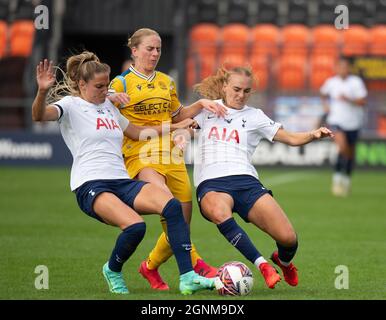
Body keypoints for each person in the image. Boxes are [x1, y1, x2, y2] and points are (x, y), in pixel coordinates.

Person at [31, 51, 215, 295]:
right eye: (99, 86)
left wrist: (177, 126)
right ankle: (113, 269)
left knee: (171, 206)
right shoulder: (70, 105)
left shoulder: (109, 106)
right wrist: (43, 90)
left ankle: (188, 277)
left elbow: (138, 132)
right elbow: (39, 115)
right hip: (91, 184)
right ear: (82, 85)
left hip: (121, 180)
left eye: (107, 85)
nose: (105, 91)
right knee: (135, 227)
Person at [190, 66, 333, 289]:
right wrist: (195, 109)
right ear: (225, 86)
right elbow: (178, 120)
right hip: (212, 183)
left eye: (247, 91)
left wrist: (313, 135)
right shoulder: (208, 110)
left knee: (288, 238)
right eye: (236, 89)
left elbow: (290, 138)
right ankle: (263, 266)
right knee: (220, 212)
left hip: (246, 182)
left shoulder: (255, 116)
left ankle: (282, 261)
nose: (241, 95)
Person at [108, 28, 227, 290]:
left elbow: (177, 116)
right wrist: (109, 97)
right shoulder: (121, 83)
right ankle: (198, 267)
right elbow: (97, 105)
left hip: (172, 152)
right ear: (134, 50)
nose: (155, 53)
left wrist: (201, 104)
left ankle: (149, 267)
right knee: (167, 205)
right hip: (142, 152)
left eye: (159, 49)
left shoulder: (166, 82)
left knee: (180, 221)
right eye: (149, 48)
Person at [320, 57, 367, 197]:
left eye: (345, 67)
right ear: (336, 68)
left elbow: (362, 101)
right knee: (342, 147)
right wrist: (326, 106)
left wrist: (349, 99)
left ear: (349, 68)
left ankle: (346, 180)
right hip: (336, 121)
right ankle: (337, 180)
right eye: (340, 67)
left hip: (353, 122)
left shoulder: (356, 82)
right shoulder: (331, 82)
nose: (342, 69)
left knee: (350, 153)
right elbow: (323, 94)